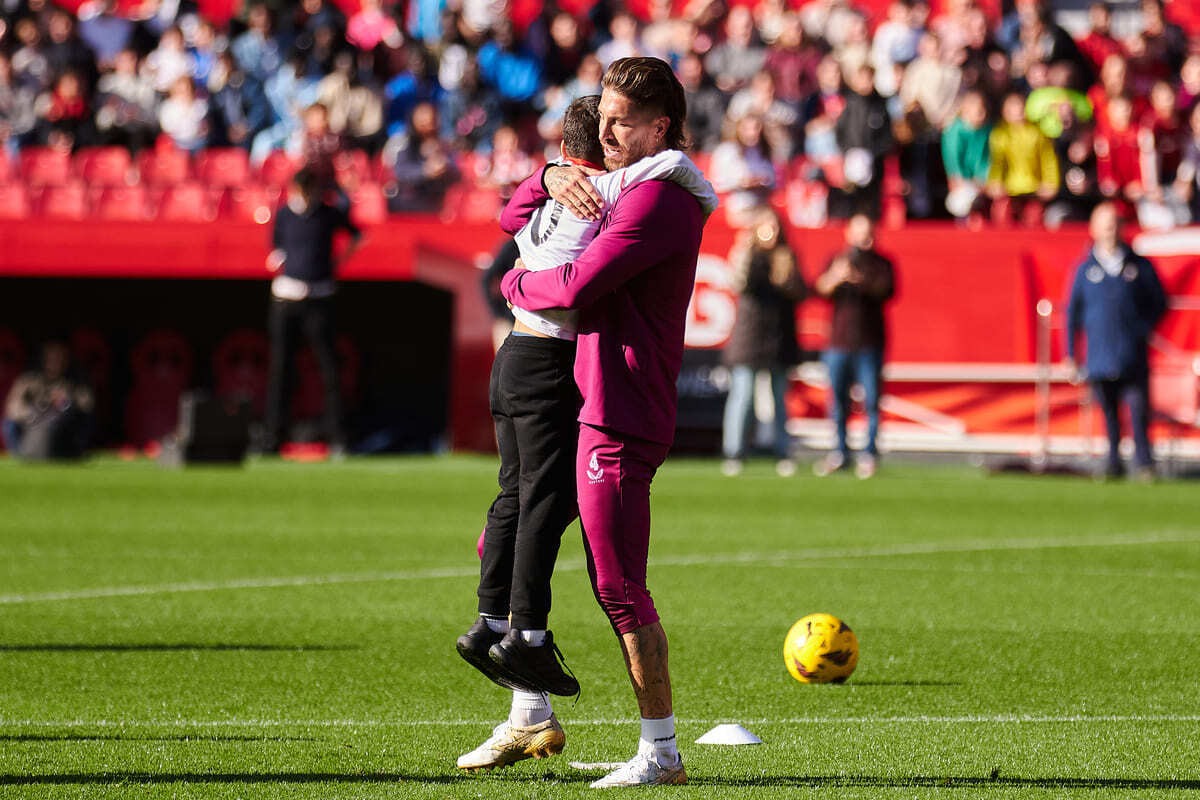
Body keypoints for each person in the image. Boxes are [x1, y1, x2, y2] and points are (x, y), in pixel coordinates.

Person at [457, 92, 718, 777]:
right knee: (517, 528)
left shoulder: (642, 194)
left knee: (594, 565)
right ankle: (529, 708)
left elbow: (570, 272)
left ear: (657, 127)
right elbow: (525, 213)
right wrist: (545, 176)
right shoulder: (609, 184)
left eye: (621, 120)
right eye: (601, 119)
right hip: (569, 377)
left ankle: (652, 746)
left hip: (588, 385)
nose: (608, 133)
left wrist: (515, 276)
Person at [259, 167, 362, 456]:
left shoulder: (328, 213)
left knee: (329, 369)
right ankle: (272, 437)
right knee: (281, 368)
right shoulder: (284, 214)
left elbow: (356, 235)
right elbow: (276, 247)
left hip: (319, 297)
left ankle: (338, 438)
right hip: (287, 298)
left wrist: (339, 262)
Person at [1065, 203, 1167, 480]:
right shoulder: (1085, 269)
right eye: (1105, 223)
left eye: (1115, 223)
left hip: (1132, 353)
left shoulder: (1138, 265)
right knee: (1108, 412)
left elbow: (1159, 301)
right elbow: (1072, 314)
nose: (1110, 229)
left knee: (1137, 409)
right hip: (1099, 354)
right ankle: (1113, 461)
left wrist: (1141, 328)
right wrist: (1071, 354)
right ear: (1093, 229)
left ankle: (1144, 461)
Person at [720, 207, 806, 477]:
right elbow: (737, 282)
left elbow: (799, 291)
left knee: (780, 396)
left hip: (779, 335)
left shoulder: (787, 256)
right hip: (750, 334)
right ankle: (734, 451)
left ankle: (783, 452)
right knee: (742, 395)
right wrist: (744, 248)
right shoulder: (748, 254)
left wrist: (789, 276)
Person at [813, 214, 894, 480]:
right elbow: (820, 290)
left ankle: (869, 452)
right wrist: (837, 277)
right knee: (837, 401)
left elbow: (887, 290)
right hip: (839, 341)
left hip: (870, 341)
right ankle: (839, 451)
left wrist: (860, 280)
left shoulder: (882, 263)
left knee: (871, 400)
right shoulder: (837, 259)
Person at [3, 341, 93, 460]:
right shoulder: (29, 379)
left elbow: (87, 404)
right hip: (32, 426)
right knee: (9, 423)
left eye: (60, 357)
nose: (55, 361)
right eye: (51, 357)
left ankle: (71, 453)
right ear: (44, 359)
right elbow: (13, 407)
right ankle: (19, 456)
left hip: (62, 428)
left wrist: (68, 400)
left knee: (85, 420)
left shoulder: (75, 381)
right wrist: (33, 414)